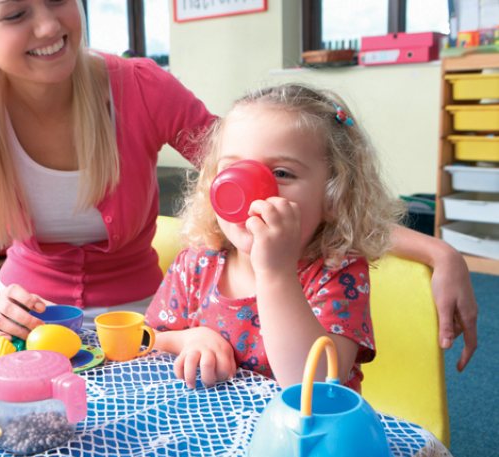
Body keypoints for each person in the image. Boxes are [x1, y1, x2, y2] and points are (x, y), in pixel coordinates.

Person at [0, 0, 477, 371]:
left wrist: (435, 248)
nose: (50, 24)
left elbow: (272, 178)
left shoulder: (138, 87)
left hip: (152, 328)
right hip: (29, 326)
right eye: (14, 13)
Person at [144, 83, 453, 391]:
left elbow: (313, 384)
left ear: (333, 196)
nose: (249, 189)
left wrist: (275, 273)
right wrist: (189, 337)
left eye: (281, 173)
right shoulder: (196, 265)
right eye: (233, 168)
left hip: (307, 436)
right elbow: (147, 341)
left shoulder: (336, 273)